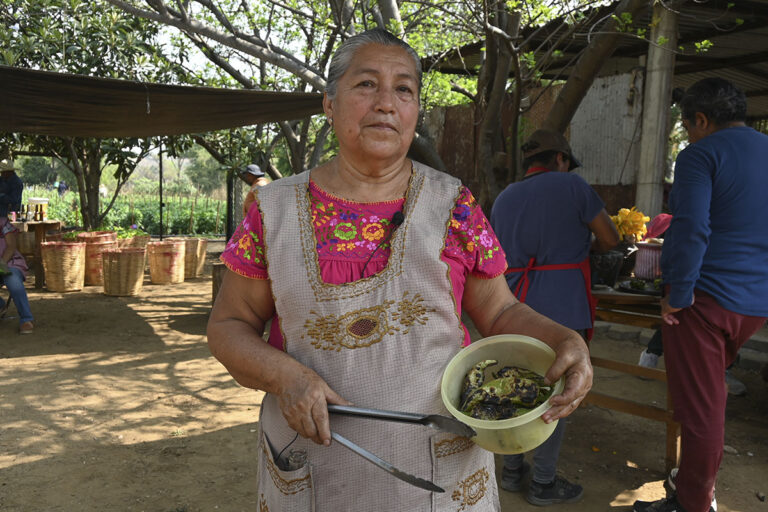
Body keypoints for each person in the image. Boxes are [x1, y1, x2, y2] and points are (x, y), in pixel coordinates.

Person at [207, 29, 593, 512]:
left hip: (441, 466)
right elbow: (228, 326)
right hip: (318, 465)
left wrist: (565, 342)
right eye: (366, 84)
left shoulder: (453, 204)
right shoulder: (272, 211)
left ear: (415, 112)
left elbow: (499, 311)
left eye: (403, 89)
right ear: (329, 103)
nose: (386, 103)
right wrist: (285, 376)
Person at [633, 77, 768, 512]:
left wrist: (679, 294)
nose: (688, 134)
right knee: (707, 399)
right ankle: (692, 487)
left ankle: (693, 503)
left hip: (704, 302)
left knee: (701, 414)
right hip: (754, 304)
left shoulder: (701, 155)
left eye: (688, 125)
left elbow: (690, 227)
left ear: (702, 120)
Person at [490, 129, 619, 506]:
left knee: (512, 383)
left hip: (511, 303)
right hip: (562, 304)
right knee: (559, 392)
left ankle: (512, 471)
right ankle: (543, 481)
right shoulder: (573, 187)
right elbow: (610, 239)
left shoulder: (504, 197)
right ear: (560, 160)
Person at [0, 215, 34, 334]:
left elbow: (11, 246)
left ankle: (26, 319)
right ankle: (0, 305)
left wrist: (1, 264)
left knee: (12, 279)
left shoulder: (2, 222)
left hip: (9, 262)